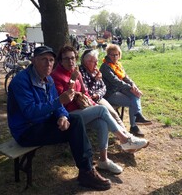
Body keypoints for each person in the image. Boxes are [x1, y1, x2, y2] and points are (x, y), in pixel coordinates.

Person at [7, 45, 111, 190]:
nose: (48, 63)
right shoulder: (21, 82)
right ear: (33, 61)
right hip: (26, 130)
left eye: (51, 60)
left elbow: (57, 105)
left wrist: (62, 116)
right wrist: (58, 103)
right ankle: (86, 171)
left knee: (74, 120)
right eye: (43, 59)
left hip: (43, 122)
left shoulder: (48, 79)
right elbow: (30, 112)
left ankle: (86, 170)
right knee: (75, 128)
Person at [51, 45, 149, 174]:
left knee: (102, 121)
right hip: (68, 115)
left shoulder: (76, 71)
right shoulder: (56, 75)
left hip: (83, 109)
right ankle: (125, 140)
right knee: (102, 109)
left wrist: (92, 104)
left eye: (73, 58)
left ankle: (103, 160)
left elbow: (85, 92)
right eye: (66, 59)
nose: (70, 62)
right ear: (60, 60)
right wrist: (73, 80)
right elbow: (63, 100)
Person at [99, 44, 152, 137]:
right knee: (132, 101)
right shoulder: (105, 67)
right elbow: (116, 81)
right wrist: (131, 88)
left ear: (119, 55)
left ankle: (137, 117)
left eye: (117, 54)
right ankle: (134, 125)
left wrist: (134, 86)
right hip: (110, 93)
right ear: (108, 55)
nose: (115, 57)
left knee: (135, 95)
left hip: (119, 90)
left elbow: (125, 77)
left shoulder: (118, 64)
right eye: (112, 55)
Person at [79, 49, 126, 131]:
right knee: (111, 114)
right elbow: (85, 90)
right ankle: (125, 136)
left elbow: (103, 87)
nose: (97, 64)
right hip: (88, 101)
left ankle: (125, 134)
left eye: (97, 61)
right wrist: (94, 80)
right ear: (87, 62)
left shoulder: (95, 71)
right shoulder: (81, 72)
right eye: (94, 62)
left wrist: (98, 95)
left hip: (99, 98)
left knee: (114, 114)